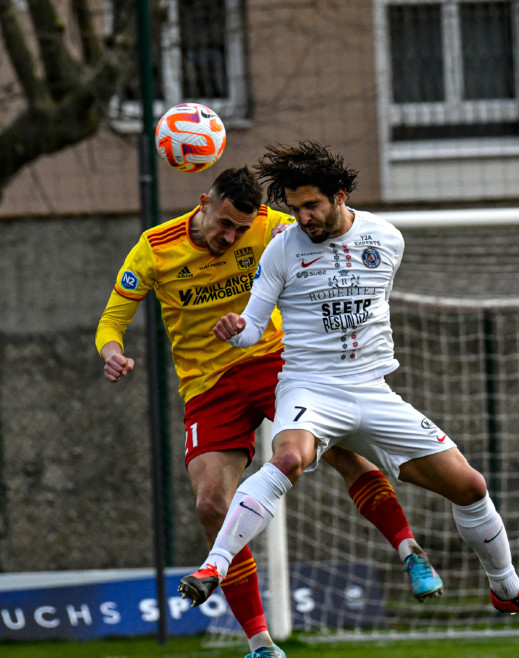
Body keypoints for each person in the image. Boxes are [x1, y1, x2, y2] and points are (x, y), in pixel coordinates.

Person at [177, 142, 519, 630]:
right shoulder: (280, 248)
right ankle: (214, 566)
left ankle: (507, 587)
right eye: (294, 208)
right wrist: (235, 328)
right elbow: (255, 329)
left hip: (372, 390)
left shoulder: (386, 238)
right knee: (287, 459)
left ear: (340, 195)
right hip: (309, 389)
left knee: (471, 486)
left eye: (311, 206)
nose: (301, 217)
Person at [95, 167, 441, 658]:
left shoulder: (274, 226)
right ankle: (261, 643)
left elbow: (326, 234)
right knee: (212, 504)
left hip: (277, 364)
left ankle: (410, 552)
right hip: (207, 385)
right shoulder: (155, 247)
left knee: (345, 452)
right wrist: (111, 351)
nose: (232, 236)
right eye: (225, 225)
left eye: (242, 227)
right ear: (203, 203)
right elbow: (112, 320)